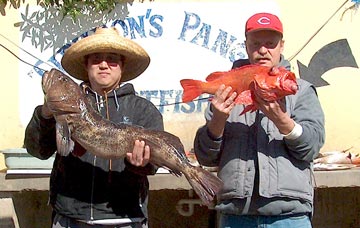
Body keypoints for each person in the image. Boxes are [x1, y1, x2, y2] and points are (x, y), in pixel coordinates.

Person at [193, 12, 325, 228]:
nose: (263, 50)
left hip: (290, 217)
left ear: (282, 45)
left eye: (270, 43)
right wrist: (217, 121)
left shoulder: (302, 91)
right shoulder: (227, 90)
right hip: (235, 217)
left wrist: (282, 120)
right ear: (246, 46)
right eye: (255, 44)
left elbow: (311, 147)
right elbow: (205, 157)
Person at [24, 27, 163, 228]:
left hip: (126, 219)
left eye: (112, 59)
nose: (104, 65)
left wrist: (140, 164)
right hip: (70, 219)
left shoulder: (144, 110)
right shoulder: (62, 110)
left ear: (122, 66)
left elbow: (153, 165)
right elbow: (37, 150)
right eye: (96, 59)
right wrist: (45, 114)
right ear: (86, 65)